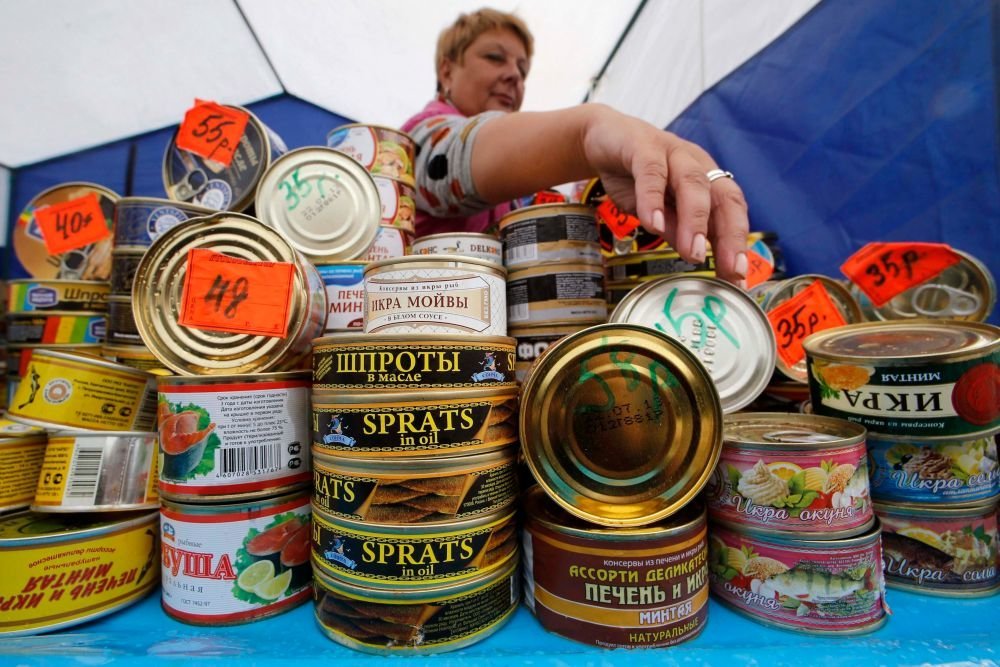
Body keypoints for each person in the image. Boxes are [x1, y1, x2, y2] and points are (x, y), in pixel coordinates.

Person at [402, 8, 750, 285]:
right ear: (446, 72)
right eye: (495, 57)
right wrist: (587, 132)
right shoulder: (417, 139)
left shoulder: (519, 189)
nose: (514, 76)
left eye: (523, 69)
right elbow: (453, 159)